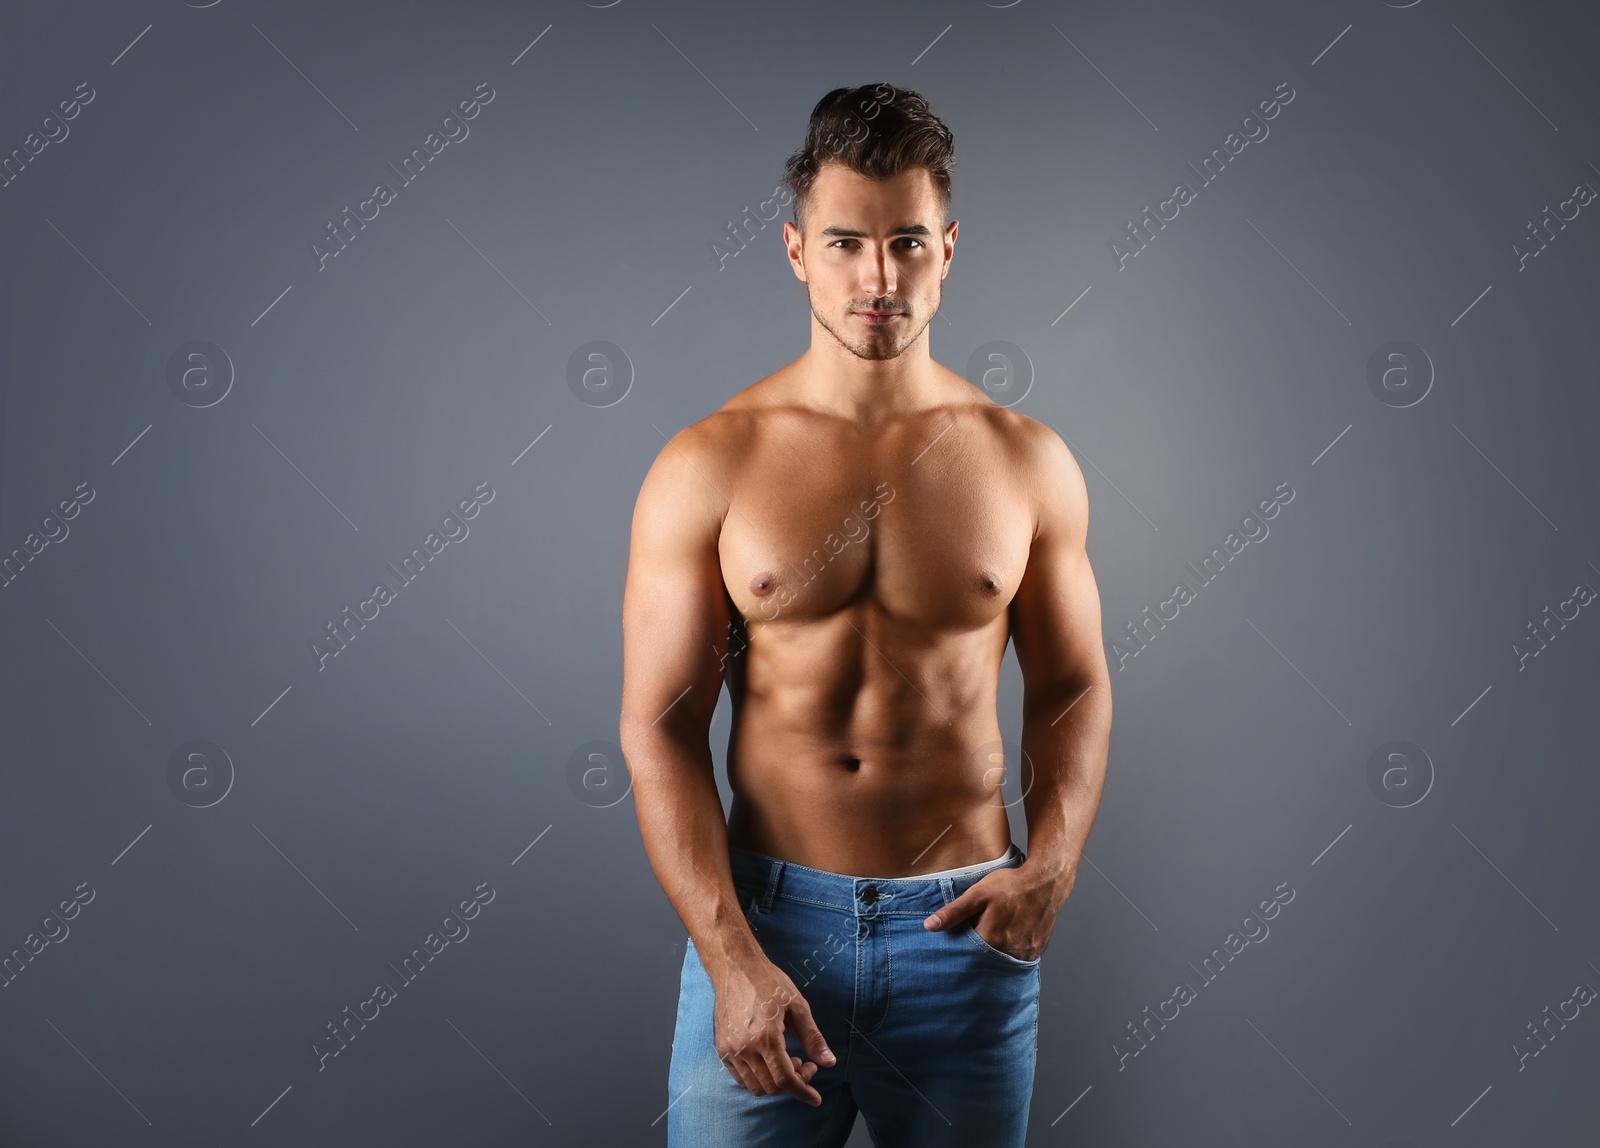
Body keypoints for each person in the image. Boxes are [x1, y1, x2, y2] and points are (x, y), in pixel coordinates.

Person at [619, 82, 1113, 1146]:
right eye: (846, 242)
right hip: (763, 930)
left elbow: (1072, 682)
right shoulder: (708, 463)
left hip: (964, 932)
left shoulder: (1027, 463)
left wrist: (1054, 866)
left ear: (949, 248)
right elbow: (659, 726)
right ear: (796, 249)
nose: (878, 278)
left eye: (907, 243)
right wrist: (730, 956)